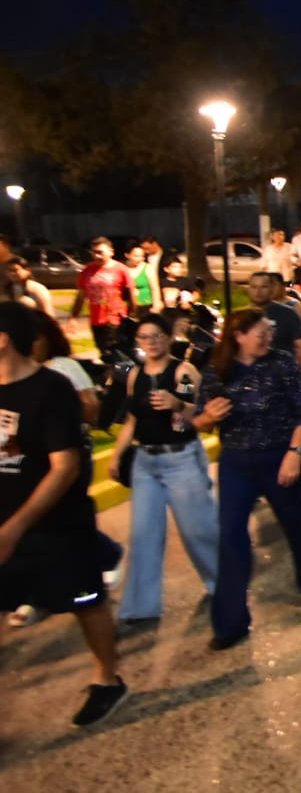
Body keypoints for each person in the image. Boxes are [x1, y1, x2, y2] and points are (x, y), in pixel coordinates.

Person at [0, 304, 128, 726]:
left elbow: (65, 467)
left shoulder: (51, 388)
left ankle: (107, 680)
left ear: (3, 340)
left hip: (58, 528)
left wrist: (15, 528)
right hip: (6, 528)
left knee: (87, 603)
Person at [191, 309, 301, 651]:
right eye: (260, 332)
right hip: (235, 463)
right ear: (238, 336)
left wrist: (295, 453)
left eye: (268, 331)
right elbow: (197, 423)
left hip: (279, 456)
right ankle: (230, 622)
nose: (267, 337)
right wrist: (207, 417)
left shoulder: (281, 363)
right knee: (231, 537)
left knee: (296, 521)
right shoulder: (216, 369)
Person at [107, 314, 219, 624]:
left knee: (198, 529)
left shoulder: (183, 372)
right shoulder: (135, 375)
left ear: (169, 338)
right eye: (144, 337)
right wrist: (116, 456)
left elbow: (194, 416)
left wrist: (176, 404)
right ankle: (140, 607)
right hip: (145, 461)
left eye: (157, 335)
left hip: (180, 458)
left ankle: (222, 584)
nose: (151, 342)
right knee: (143, 534)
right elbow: (132, 420)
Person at [71, 236, 134, 356]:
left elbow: (131, 293)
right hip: (96, 321)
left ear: (111, 252)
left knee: (115, 353)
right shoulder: (88, 270)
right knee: (103, 353)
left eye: (100, 252)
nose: (97, 256)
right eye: (94, 252)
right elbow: (81, 296)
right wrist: (74, 317)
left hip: (115, 320)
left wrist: (131, 315)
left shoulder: (120, 269)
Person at [246, 273, 301, 370]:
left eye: (264, 287)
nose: (258, 292)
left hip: (283, 373)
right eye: (254, 287)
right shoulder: (241, 317)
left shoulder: (288, 313)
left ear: (271, 289)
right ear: (248, 289)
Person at [125, 246, 154, 319]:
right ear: (127, 255)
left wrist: (157, 304)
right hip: (128, 307)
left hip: (146, 305)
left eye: (142, 256)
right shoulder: (123, 268)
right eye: (136, 256)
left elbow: (154, 288)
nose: (139, 259)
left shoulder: (147, 267)